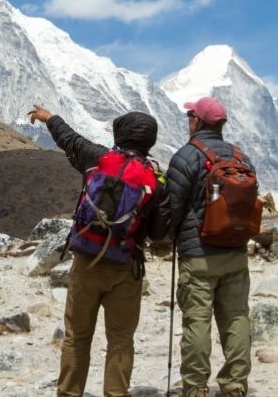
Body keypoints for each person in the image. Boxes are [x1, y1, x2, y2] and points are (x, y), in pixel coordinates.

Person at [28, 104, 171, 397]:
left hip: (86, 262)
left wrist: (50, 118)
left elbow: (70, 139)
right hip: (126, 267)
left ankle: (68, 393)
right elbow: (159, 235)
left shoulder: (98, 159)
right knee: (120, 340)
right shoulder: (155, 179)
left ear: (121, 133)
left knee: (77, 337)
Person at [165, 96, 252, 397]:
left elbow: (172, 207)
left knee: (197, 321)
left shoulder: (186, 156)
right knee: (237, 317)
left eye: (190, 114)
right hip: (236, 254)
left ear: (197, 121)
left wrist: (164, 238)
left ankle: (196, 387)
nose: (188, 119)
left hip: (199, 255)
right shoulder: (241, 158)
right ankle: (235, 384)